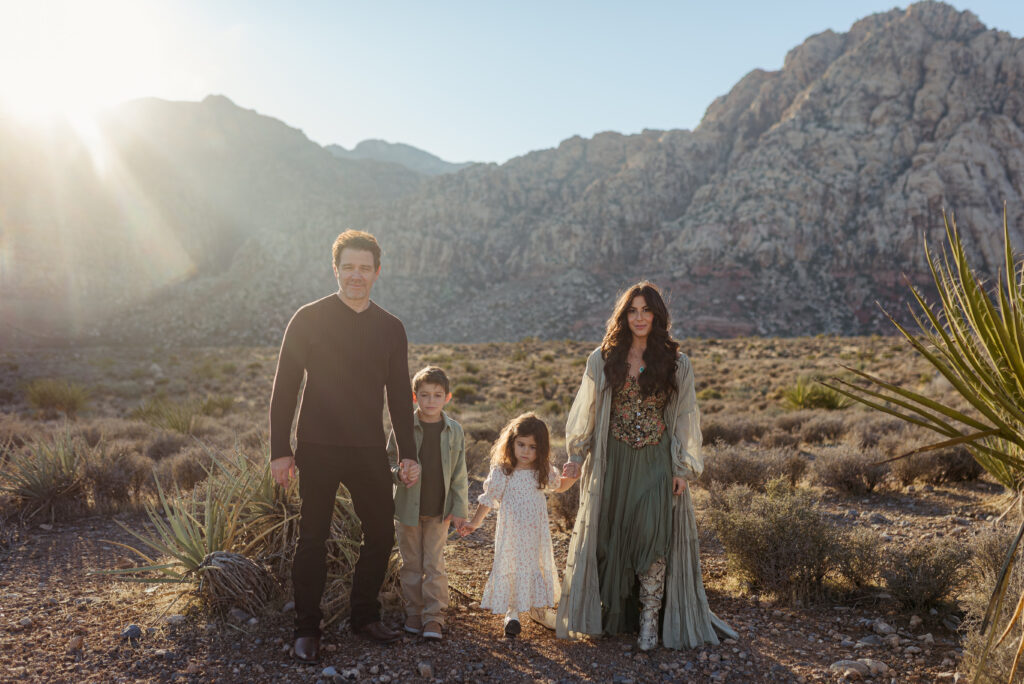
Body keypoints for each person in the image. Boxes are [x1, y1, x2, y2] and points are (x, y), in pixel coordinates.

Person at [555, 282, 736, 651]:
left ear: (657, 315)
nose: (639, 317)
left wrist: (681, 468)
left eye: (645, 310)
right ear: (624, 317)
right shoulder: (603, 359)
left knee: (651, 532)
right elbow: (586, 411)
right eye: (632, 311)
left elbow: (685, 418)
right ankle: (613, 614)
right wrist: (576, 456)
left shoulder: (676, 363)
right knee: (611, 535)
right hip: (614, 461)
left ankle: (651, 619)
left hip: (656, 459)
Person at [269, 229, 421, 663]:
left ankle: (363, 616)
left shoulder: (391, 328)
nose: (356, 275)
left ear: (377, 272)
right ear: (335, 269)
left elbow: (397, 395)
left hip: (369, 449)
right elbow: (285, 388)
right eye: (348, 267)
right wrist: (281, 449)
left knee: (380, 532)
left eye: (364, 268)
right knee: (312, 538)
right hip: (316, 446)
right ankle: (306, 628)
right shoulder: (308, 318)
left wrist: (406, 453)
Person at [459, 413, 573, 638]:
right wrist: (474, 523)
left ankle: (538, 609)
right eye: (521, 444)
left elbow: (558, 486)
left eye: (532, 447)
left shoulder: (542, 470)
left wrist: (576, 475)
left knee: (536, 563)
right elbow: (488, 499)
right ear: (511, 443)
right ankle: (512, 612)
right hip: (511, 533)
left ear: (541, 449)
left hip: (535, 532)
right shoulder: (503, 471)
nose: (526, 451)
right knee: (512, 564)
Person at [386, 365, 469, 642]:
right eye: (424, 395)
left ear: (448, 397)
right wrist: (398, 473)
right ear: (414, 397)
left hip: (439, 510)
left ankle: (434, 617)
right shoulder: (403, 427)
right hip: (408, 508)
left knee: (434, 563)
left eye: (437, 395)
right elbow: (388, 462)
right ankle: (414, 612)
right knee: (411, 564)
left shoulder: (454, 430)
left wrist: (460, 510)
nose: (430, 401)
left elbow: (460, 474)